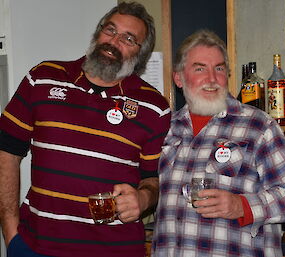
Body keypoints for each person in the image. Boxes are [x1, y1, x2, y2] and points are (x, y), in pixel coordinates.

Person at [0, 2, 171, 257]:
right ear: (98, 32)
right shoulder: (43, 78)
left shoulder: (154, 107)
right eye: (110, 30)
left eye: (128, 38)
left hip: (115, 251)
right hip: (36, 247)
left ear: (140, 55)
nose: (113, 41)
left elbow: (154, 180)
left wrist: (143, 199)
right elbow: (7, 151)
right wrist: (11, 232)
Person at [151, 29, 285, 257]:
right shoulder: (166, 129)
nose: (212, 79)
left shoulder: (259, 126)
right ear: (179, 78)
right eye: (200, 68)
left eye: (219, 68)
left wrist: (242, 206)